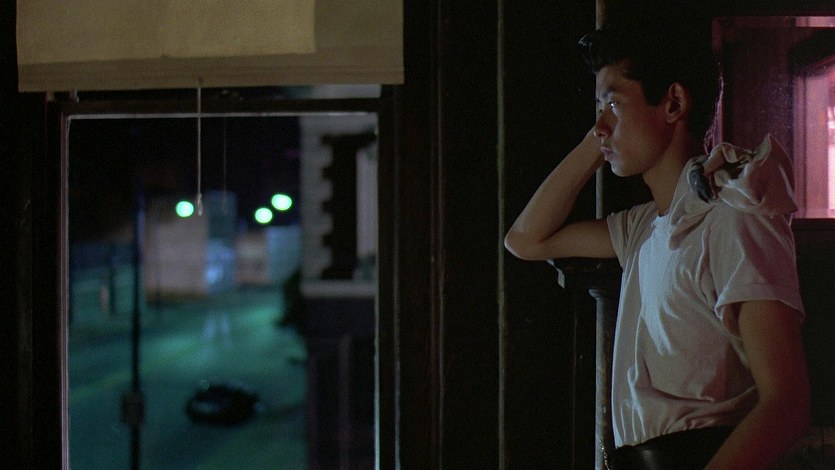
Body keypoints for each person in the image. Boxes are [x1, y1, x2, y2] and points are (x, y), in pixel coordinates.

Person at [504, 15, 810, 470]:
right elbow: (525, 239)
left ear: (674, 103)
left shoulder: (735, 217)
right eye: (599, 109)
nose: (600, 126)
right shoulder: (643, 227)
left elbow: (786, 405)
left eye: (613, 104)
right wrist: (600, 135)